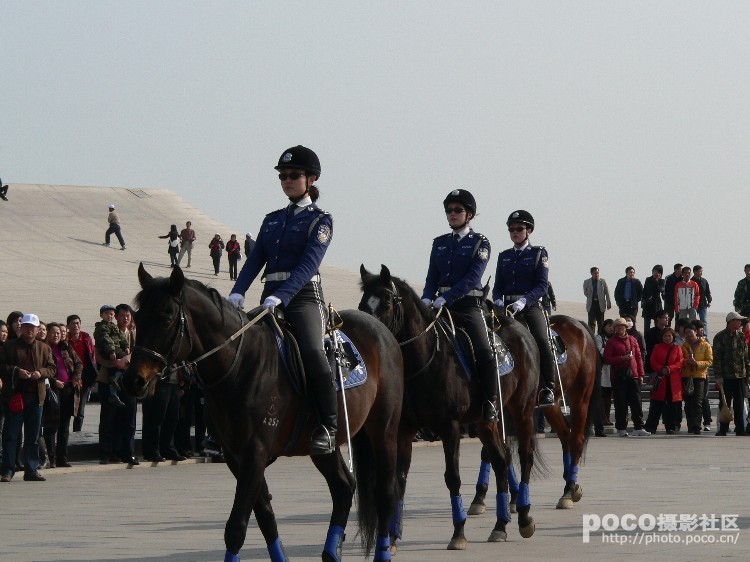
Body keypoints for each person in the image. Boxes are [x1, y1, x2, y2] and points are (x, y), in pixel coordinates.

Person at [227, 145, 337, 454]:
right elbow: (255, 259)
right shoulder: (272, 220)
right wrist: (238, 290)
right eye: (283, 176)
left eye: (294, 175)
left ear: (311, 179)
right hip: (270, 297)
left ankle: (328, 425)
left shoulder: (320, 220)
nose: (287, 180)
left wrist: (282, 295)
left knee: (313, 352)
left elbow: (308, 265)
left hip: (302, 297)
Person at [421, 189, 497, 421]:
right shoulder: (439, 243)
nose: (452, 214)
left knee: (484, 350)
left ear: (469, 214)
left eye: (457, 210)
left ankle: (490, 401)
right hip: (440, 307)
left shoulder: (480, 243)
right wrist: (426, 297)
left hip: (467, 306)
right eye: (448, 210)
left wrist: (448, 297)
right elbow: (432, 276)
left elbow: (473, 278)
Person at [492, 209, 555, 407]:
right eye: (511, 229)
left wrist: (524, 301)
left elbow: (542, 286)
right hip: (507, 307)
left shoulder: (538, 254)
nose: (515, 232)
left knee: (542, 339)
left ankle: (548, 387)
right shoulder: (504, 256)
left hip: (529, 306)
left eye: (519, 229)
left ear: (529, 231)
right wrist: (498, 300)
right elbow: (497, 287)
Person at [0, 313, 56, 482]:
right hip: (16, 396)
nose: (29, 330)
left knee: (33, 436)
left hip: (37, 396)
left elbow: (52, 368)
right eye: (26, 326)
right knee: (11, 434)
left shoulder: (44, 348)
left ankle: (31, 469)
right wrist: (17, 372)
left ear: (38, 329)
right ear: (21, 327)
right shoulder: (9, 347)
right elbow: (2, 366)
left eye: (32, 327)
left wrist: (40, 373)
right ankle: (7, 471)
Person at [43, 323, 82, 467]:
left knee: (64, 427)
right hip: (52, 391)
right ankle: (51, 459)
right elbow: (42, 370)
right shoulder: (45, 348)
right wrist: (54, 381)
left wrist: (75, 378)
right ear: (48, 333)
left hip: (68, 390)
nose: (56, 335)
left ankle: (62, 458)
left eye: (58, 332)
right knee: (51, 426)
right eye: (53, 332)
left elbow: (79, 363)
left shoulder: (65, 347)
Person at [603, 317, 649, 437]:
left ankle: (638, 427)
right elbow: (607, 359)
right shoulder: (611, 342)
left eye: (622, 326)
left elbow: (638, 357)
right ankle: (621, 428)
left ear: (626, 327)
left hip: (633, 375)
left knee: (636, 402)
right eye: (617, 327)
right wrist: (621, 359)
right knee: (620, 403)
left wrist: (641, 374)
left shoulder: (633, 339)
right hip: (618, 376)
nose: (620, 328)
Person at [712, 311, 750, 436]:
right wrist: (718, 376)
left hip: (740, 376)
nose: (740, 323)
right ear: (731, 321)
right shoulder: (720, 337)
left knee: (739, 404)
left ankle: (740, 428)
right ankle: (723, 429)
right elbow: (717, 358)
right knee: (724, 403)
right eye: (738, 320)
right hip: (726, 377)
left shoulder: (741, 336)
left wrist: (747, 375)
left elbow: (745, 357)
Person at [643, 327, 684, 435]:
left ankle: (670, 426)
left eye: (669, 336)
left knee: (672, 405)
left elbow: (680, 362)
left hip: (673, 380)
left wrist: (669, 368)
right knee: (656, 404)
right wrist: (661, 369)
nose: (667, 338)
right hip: (660, 379)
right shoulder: (657, 347)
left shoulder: (677, 348)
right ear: (662, 337)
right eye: (665, 336)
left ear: (673, 337)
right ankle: (651, 426)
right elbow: (652, 361)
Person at [66, 314, 97, 432]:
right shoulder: (65, 340)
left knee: (80, 409)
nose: (75, 326)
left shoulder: (86, 338)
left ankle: (77, 432)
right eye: (73, 324)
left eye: (77, 323)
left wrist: (92, 377)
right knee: (68, 407)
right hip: (68, 376)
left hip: (84, 377)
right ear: (68, 326)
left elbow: (92, 357)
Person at [680, 324, 713, 435]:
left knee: (698, 402)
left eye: (690, 331)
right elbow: (680, 361)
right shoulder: (683, 346)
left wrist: (697, 363)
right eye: (686, 332)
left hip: (699, 376)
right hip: (687, 376)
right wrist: (686, 362)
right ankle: (690, 425)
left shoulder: (705, 345)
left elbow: (709, 361)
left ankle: (696, 426)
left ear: (695, 332)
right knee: (688, 402)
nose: (688, 334)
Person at [93, 305, 128, 408]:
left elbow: (120, 337)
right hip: (108, 350)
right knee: (126, 361)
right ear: (101, 315)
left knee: (121, 365)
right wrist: (111, 351)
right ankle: (115, 378)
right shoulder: (102, 327)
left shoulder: (113, 326)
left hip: (115, 349)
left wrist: (126, 346)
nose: (110, 316)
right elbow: (105, 339)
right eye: (107, 314)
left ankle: (113, 393)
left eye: (112, 314)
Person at [594, 319, 615, 436]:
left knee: (608, 395)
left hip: (611, 368)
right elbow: (599, 349)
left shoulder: (615, 338)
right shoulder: (599, 337)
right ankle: (602, 418)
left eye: (612, 326)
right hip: (603, 368)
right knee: (602, 394)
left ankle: (607, 417)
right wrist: (610, 352)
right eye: (608, 326)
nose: (611, 328)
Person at [583, 266, 611, 334]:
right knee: (591, 322)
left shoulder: (602, 281)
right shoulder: (587, 282)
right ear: (592, 273)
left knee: (600, 323)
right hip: (591, 304)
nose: (597, 275)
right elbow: (585, 293)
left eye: (598, 273)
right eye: (595, 273)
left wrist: (608, 302)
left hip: (600, 304)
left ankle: (600, 337)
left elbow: (607, 293)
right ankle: (592, 337)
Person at [641, 265, 665, 333]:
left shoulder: (662, 281)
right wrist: (655, 281)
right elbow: (649, 290)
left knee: (657, 324)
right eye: (654, 271)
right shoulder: (648, 279)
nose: (655, 273)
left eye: (657, 271)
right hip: (648, 304)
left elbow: (661, 290)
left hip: (657, 304)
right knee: (646, 325)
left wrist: (657, 280)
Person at [691, 265, 712, 337]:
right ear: (695, 271)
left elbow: (708, 292)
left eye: (701, 271)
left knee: (704, 321)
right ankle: (693, 335)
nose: (701, 273)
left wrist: (709, 301)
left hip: (703, 304)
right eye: (700, 271)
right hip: (693, 305)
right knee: (693, 321)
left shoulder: (704, 281)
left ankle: (704, 336)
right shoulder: (691, 281)